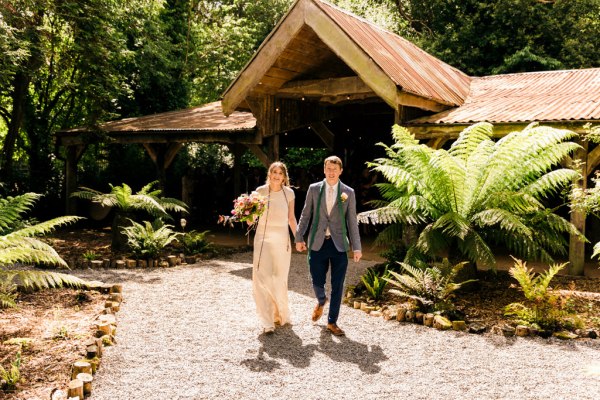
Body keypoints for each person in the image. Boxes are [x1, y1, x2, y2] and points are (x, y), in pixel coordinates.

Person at [295, 156, 362, 336]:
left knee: (338, 285)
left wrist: (357, 247)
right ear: (324, 170)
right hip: (317, 242)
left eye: (335, 169)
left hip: (339, 244)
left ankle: (332, 322)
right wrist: (299, 237)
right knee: (317, 279)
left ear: (340, 171)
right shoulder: (314, 189)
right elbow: (305, 215)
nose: (332, 172)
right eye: (329, 168)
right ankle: (321, 299)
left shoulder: (349, 192)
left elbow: (352, 222)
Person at [252, 161, 298, 334]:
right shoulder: (260, 192)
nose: (277, 176)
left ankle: (279, 313)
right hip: (263, 240)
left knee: (279, 278)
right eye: (274, 172)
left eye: (280, 173)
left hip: (282, 241)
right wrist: (245, 213)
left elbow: (291, 219)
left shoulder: (289, 193)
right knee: (262, 278)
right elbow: (251, 220)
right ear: (269, 174)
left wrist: (298, 238)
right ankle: (267, 321)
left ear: (284, 177)